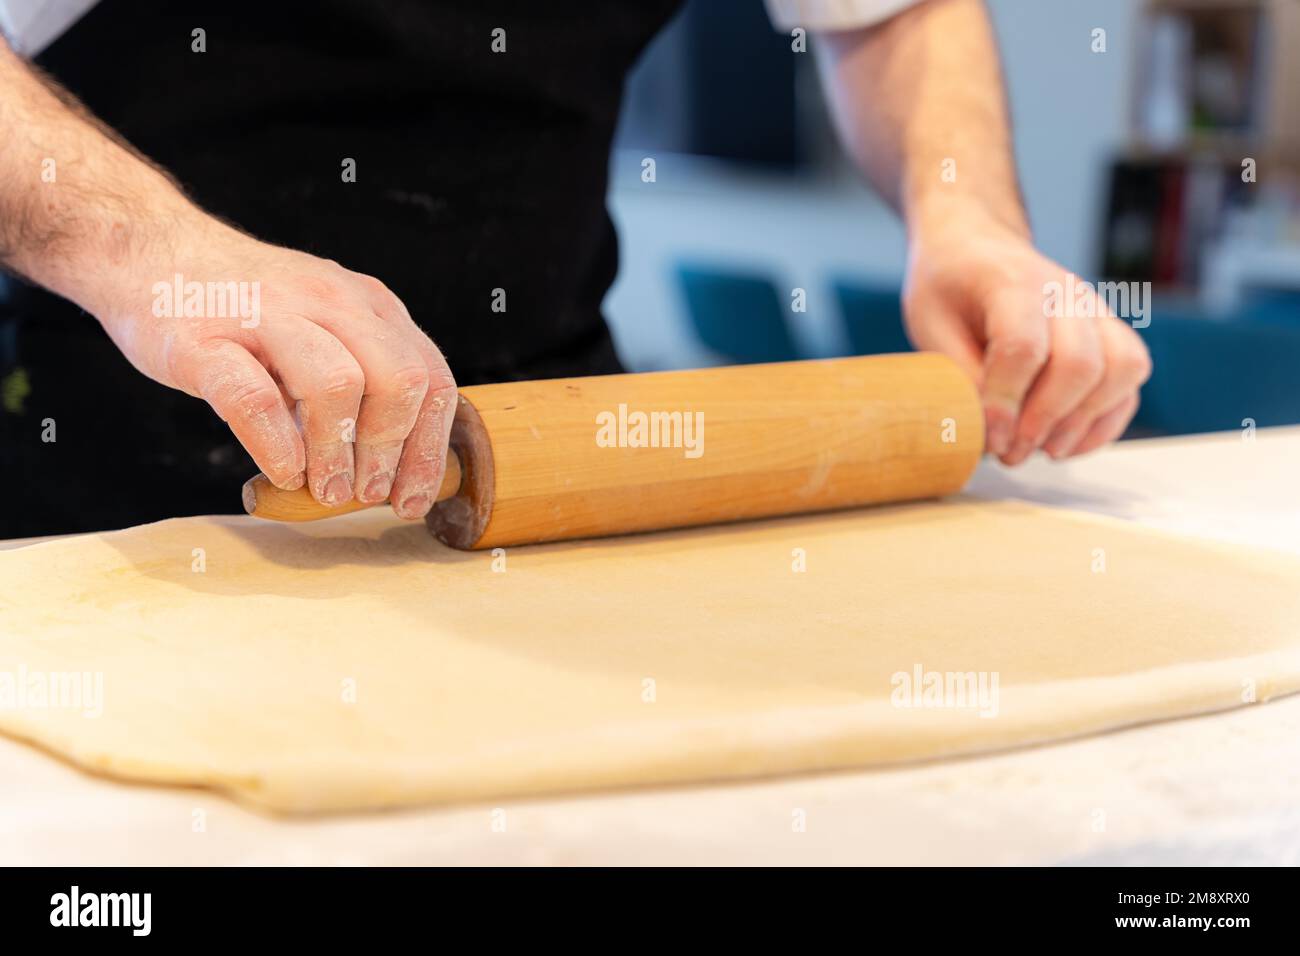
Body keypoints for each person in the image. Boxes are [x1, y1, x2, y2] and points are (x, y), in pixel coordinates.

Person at [0, 0, 1151, 538]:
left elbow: (888, 11)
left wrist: (969, 219)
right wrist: (158, 253)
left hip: (550, 441)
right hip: (92, 454)